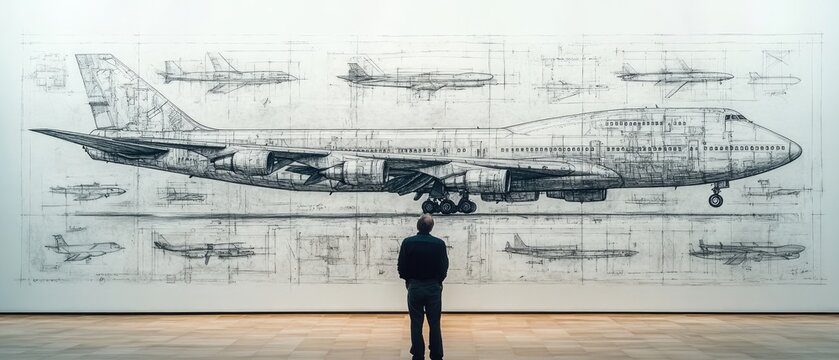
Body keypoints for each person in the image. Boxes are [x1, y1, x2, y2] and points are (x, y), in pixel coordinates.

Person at [398, 214, 449, 360]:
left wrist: (408, 281)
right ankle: (437, 354)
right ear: (431, 227)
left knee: (416, 323)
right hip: (433, 287)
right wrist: (438, 282)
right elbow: (444, 266)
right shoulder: (439, 244)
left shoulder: (407, 243)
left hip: (414, 286)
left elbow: (401, 265)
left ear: (417, 226)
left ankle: (418, 354)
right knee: (434, 323)